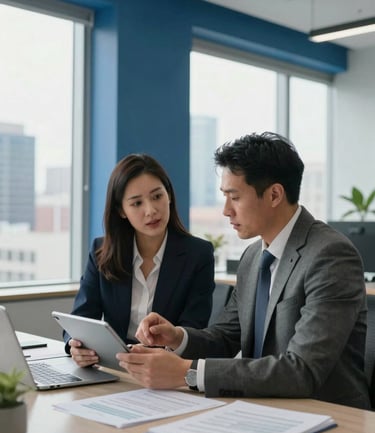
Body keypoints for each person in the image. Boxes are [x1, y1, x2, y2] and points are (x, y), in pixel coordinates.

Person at [116, 132, 371, 410]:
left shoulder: (330, 255)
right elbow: (226, 337)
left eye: (234, 197)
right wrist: (178, 337)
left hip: (328, 415)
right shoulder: (253, 257)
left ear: (274, 194)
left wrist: (185, 372)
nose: (226, 211)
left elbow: (302, 370)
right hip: (259, 409)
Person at [65, 153, 215, 367]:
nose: (151, 210)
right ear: (121, 211)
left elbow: (194, 328)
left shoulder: (198, 254)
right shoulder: (101, 251)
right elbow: (81, 318)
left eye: (157, 196)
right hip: (115, 368)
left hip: (166, 368)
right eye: (136, 203)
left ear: (169, 196)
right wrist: (75, 345)